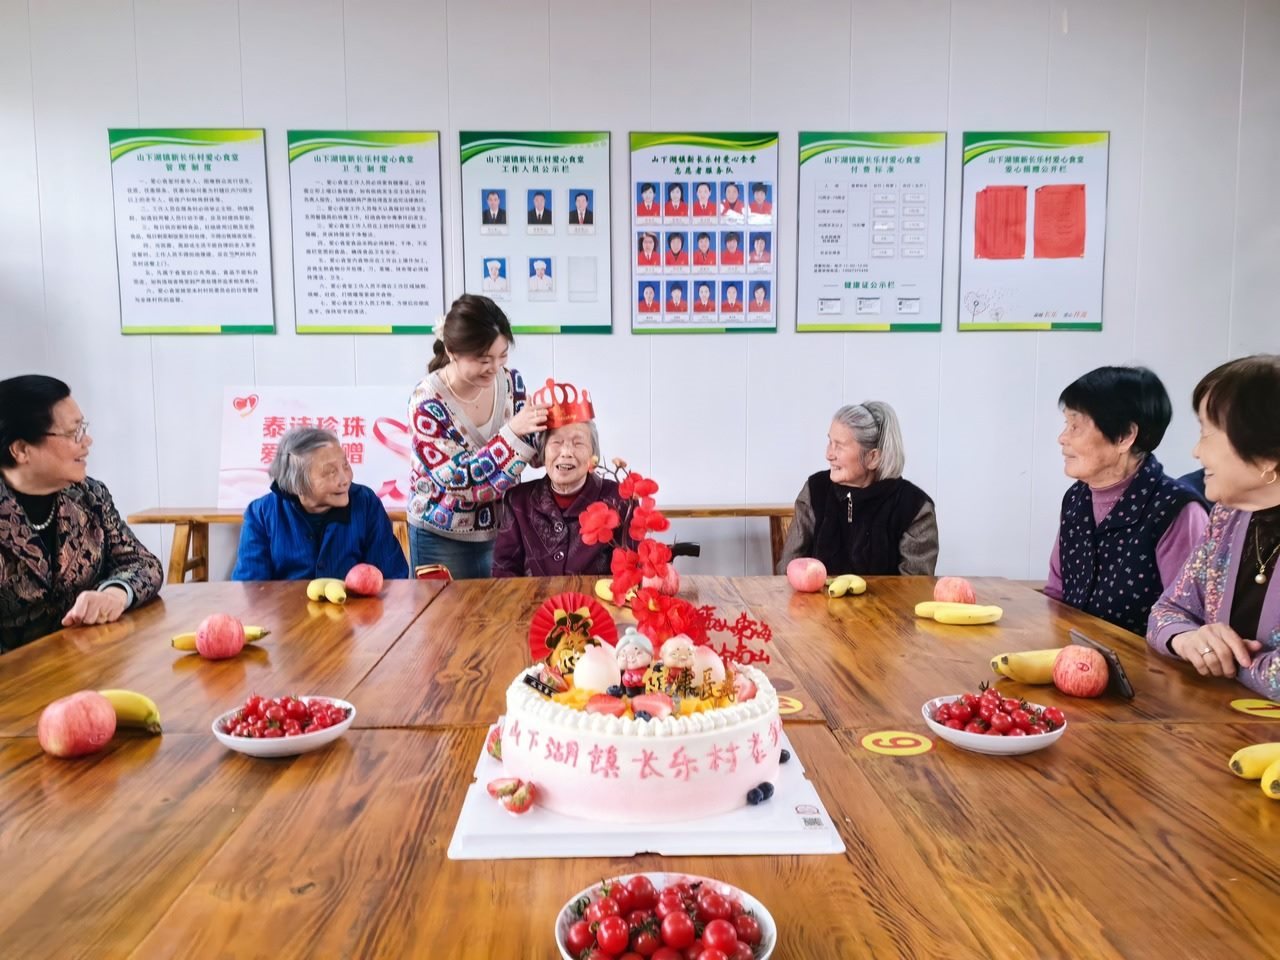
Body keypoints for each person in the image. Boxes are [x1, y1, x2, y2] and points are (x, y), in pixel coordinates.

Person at [1148, 355, 1280, 697]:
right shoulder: (1227, 516)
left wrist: (1225, 660)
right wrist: (1189, 639)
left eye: (1207, 433)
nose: (1196, 451)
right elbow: (1167, 610)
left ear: (1268, 457)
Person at [0, 375, 162, 649]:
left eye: (83, 428)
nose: (87, 441)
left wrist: (114, 594)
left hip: (90, 658)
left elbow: (144, 564)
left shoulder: (89, 496)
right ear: (22, 450)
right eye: (72, 433)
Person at [1045, 366, 1208, 635]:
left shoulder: (1176, 510)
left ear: (1124, 437)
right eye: (1066, 425)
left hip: (1143, 660)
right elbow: (1056, 592)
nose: (1062, 438)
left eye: (1076, 426)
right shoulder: (1076, 497)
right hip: (1074, 652)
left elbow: (1189, 621)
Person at [407, 295, 547, 579]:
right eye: (484, 359)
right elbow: (457, 480)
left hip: (503, 531)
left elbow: (530, 446)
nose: (495, 367)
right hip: (440, 535)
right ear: (452, 351)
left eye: (502, 356)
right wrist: (512, 432)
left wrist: (560, 439)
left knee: (500, 608)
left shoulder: (511, 382)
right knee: (443, 609)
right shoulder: (426, 402)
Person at [778, 401, 938, 576]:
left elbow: (913, 587)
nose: (828, 455)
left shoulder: (915, 508)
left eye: (839, 446)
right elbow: (788, 571)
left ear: (872, 458)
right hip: (817, 595)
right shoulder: (815, 490)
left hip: (887, 597)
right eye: (830, 442)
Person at [233, 428, 409, 582]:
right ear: (297, 484)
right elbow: (251, 588)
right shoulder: (261, 514)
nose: (345, 479)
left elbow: (392, 577)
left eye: (345, 465)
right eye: (330, 472)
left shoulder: (366, 503)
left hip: (356, 609)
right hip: (284, 609)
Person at [492, 417, 630, 577]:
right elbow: (504, 570)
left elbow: (630, 571)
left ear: (593, 456)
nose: (566, 453)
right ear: (543, 452)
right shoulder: (518, 500)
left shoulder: (620, 498)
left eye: (578, 443)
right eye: (556, 442)